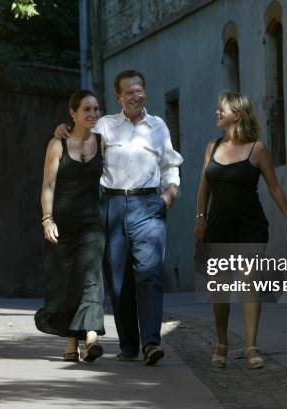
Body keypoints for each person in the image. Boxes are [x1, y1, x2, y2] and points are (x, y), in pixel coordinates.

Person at [55, 70, 183, 365]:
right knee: (118, 280)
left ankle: (152, 343)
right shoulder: (105, 126)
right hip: (111, 206)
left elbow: (170, 164)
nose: (136, 96)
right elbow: (79, 144)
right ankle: (128, 345)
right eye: (129, 93)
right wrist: (63, 130)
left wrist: (169, 196)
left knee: (149, 274)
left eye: (140, 90)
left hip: (149, 204)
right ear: (118, 97)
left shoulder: (157, 126)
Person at [194, 91, 287, 369]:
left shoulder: (258, 149)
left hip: (251, 226)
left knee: (250, 285)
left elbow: (274, 187)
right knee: (220, 288)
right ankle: (221, 343)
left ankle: (251, 347)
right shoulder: (211, 147)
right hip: (218, 226)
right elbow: (203, 186)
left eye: (222, 109)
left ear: (237, 115)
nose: (217, 113)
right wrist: (200, 219)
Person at [34, 90, 106, 363]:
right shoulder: (57, 144)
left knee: (91, 278)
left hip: (92, 224)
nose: (93, 114)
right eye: (86, 109)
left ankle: (91, 336)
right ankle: (70, 340)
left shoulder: (103, 142)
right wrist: (47, 219)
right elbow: (48, 186)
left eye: (96, 109)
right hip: (62, 224)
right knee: (66, 284)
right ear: (73, 113)